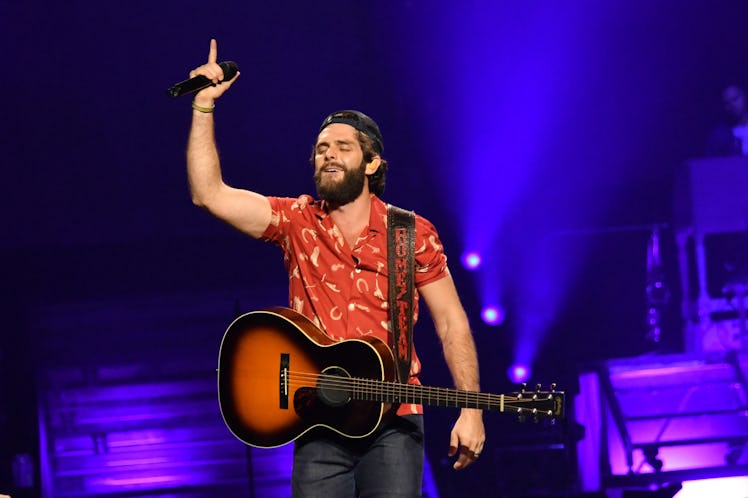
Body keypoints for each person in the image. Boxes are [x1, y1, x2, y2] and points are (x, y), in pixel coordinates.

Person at [185, 39, 485, 497]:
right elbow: (209, 194)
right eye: (322, 147)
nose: (328, 154)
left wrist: (471, 409)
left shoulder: (411, 232)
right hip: (318, 418)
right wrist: (203, 106)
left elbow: (451, 322)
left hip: (394, 421)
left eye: (343, 147)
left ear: (372, 163)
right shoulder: (295, 220)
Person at [705, 84, 748, 156]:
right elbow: (712, 163)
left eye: (735, 99)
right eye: (727, 103)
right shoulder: (720, 135)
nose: (733, 105)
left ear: (744, 96)